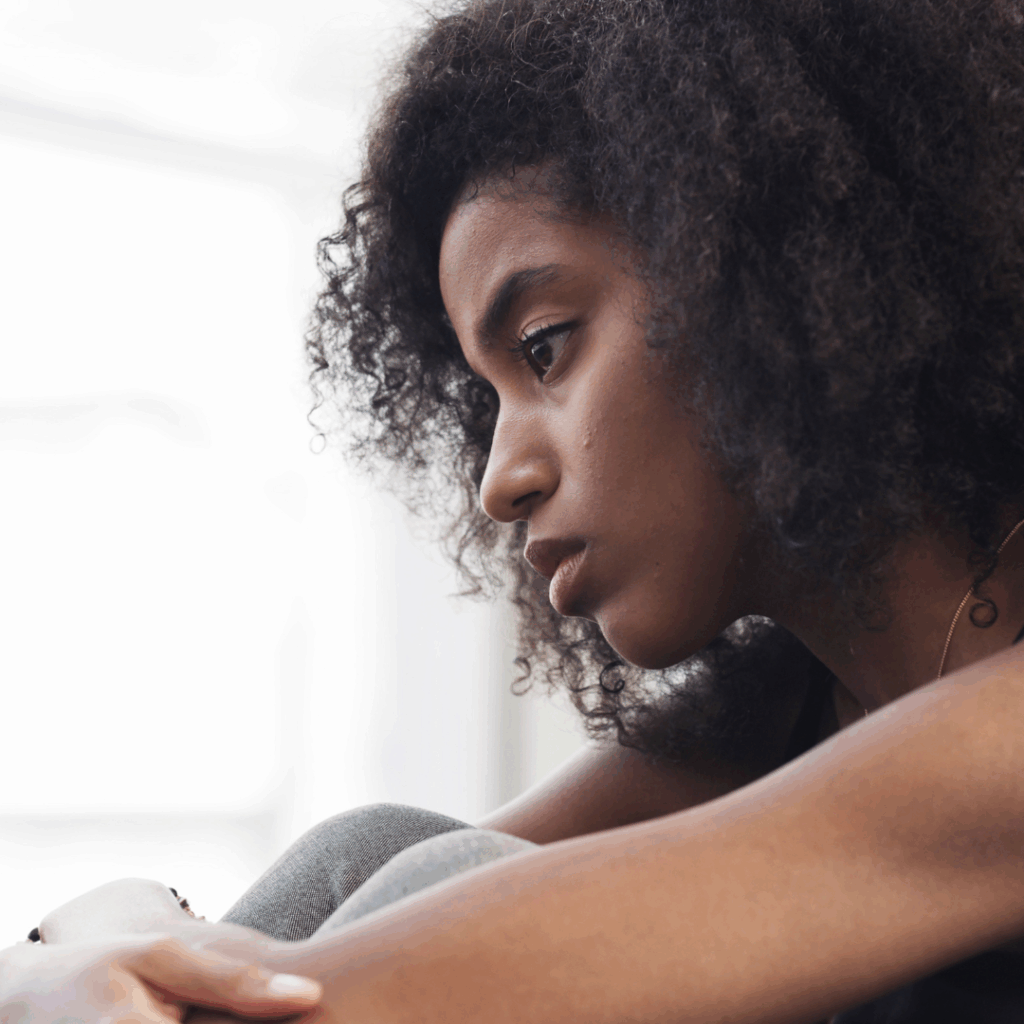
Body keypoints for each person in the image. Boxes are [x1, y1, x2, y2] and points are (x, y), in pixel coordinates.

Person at [6, 0, 1024, 1020]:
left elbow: (352, 996)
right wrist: (68, 952)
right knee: (381, 852)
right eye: (486, 394)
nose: (497, 481)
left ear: (769, 262)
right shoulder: (779, 716)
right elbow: (341, 914)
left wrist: (89, 961)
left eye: (543, 348)